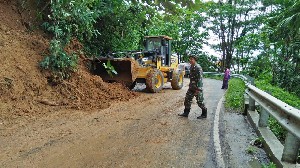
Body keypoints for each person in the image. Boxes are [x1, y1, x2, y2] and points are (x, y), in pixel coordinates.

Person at [178, 55, 207, 119]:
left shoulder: (198, 67)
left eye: (191, 59)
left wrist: (198, 89)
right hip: (191, 87)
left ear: (195, 60)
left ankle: (204, 113)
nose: (190, 60)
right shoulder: (191, 66)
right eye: (190, 59)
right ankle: (186, 113)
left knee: (200, 102)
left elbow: (200, 79)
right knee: (187, 100)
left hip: (197, 88)